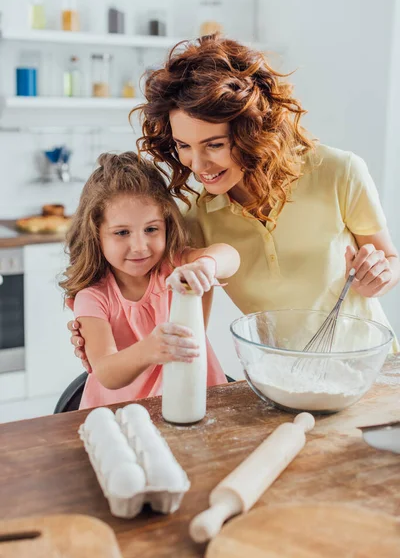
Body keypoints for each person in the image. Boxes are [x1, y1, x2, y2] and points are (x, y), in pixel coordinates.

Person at [69, 34, 399, 363]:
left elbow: (390, 261)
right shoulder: (197, 216)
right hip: (279, 376)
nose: (198, 166)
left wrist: (380, 275)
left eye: (214, 145)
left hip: (371, 365)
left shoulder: (339, 172)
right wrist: (98, 335)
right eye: (184, 146)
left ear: (252, 131)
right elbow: (173, 311)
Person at [61, 151, 240, 409]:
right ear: (95, 235)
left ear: (167, 225)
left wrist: (205, 265)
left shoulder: (176, 267)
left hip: (195, 404)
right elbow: (107, 373)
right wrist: (151, 349)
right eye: (122, 232)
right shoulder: (94, 297)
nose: (140, 246)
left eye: (151, 229)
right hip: (125, 414)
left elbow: (230, 257)